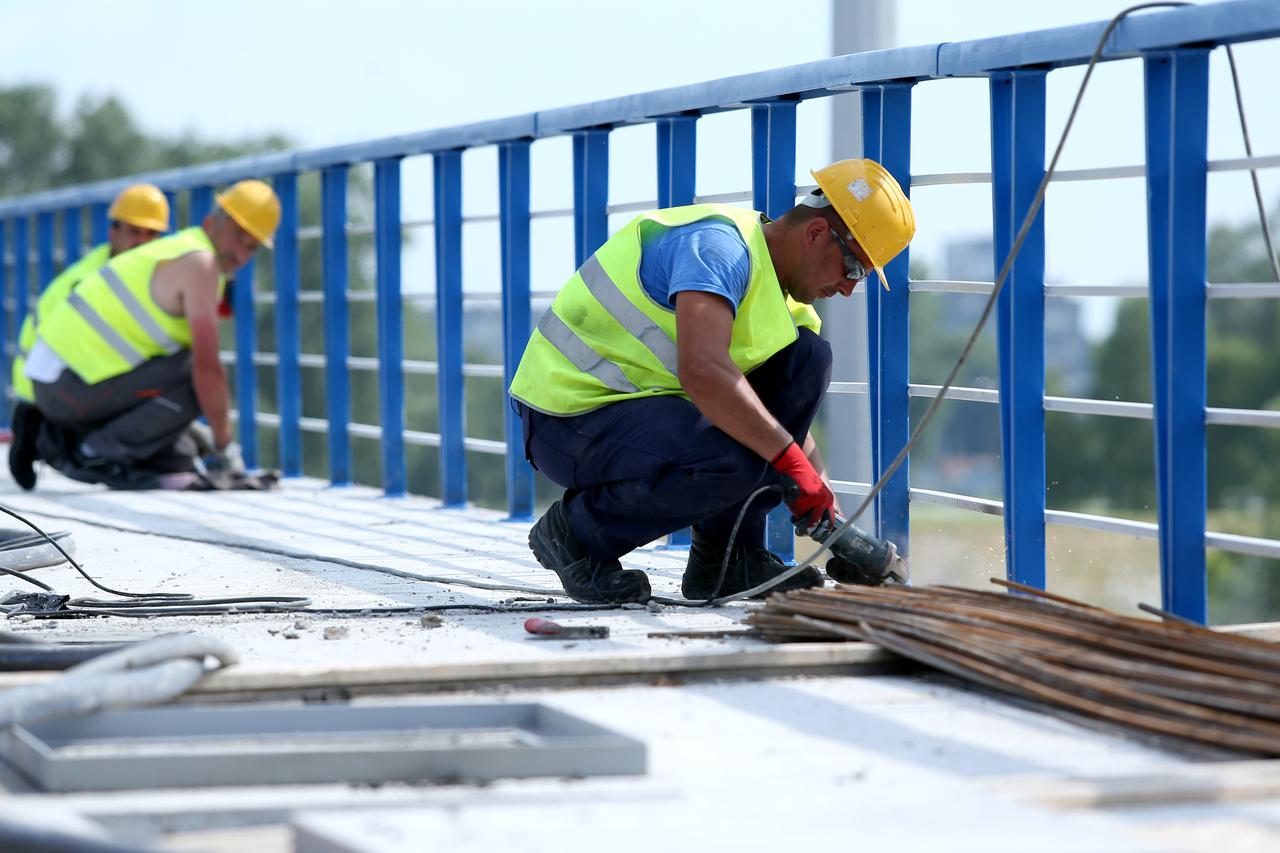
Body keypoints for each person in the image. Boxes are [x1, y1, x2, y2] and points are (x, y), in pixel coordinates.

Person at [509, 158, 915, 603]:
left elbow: (774, 422)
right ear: (817, 233)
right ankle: (577, 534)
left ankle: (728, 561)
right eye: (854, 267)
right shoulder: (718, 249)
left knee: (808, 357)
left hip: (642, 410)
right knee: (734, 460)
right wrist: (788, 461)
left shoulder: (782, 303)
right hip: (568, 416)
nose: (848, 288)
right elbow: (702, 371)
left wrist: (827, 511)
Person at [15, 179, 280, 491]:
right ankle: (93, 453)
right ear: (213, 221)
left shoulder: (181, 249)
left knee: (178, 457)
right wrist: (226, 452)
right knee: (196, 378)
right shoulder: (200, 263)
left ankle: (52, 431)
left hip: (62, 384)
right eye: (239, 237)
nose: (242, 253)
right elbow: (207, 369)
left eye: (252, 247)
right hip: (64, 388)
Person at [7, 184, 170, 488]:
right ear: (113, 232)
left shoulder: (117, 271)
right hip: (41, 388)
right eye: (135, 232)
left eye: (151, 234)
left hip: (54, 380)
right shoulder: (93, 282)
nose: (142, 242)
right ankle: (42, 433)